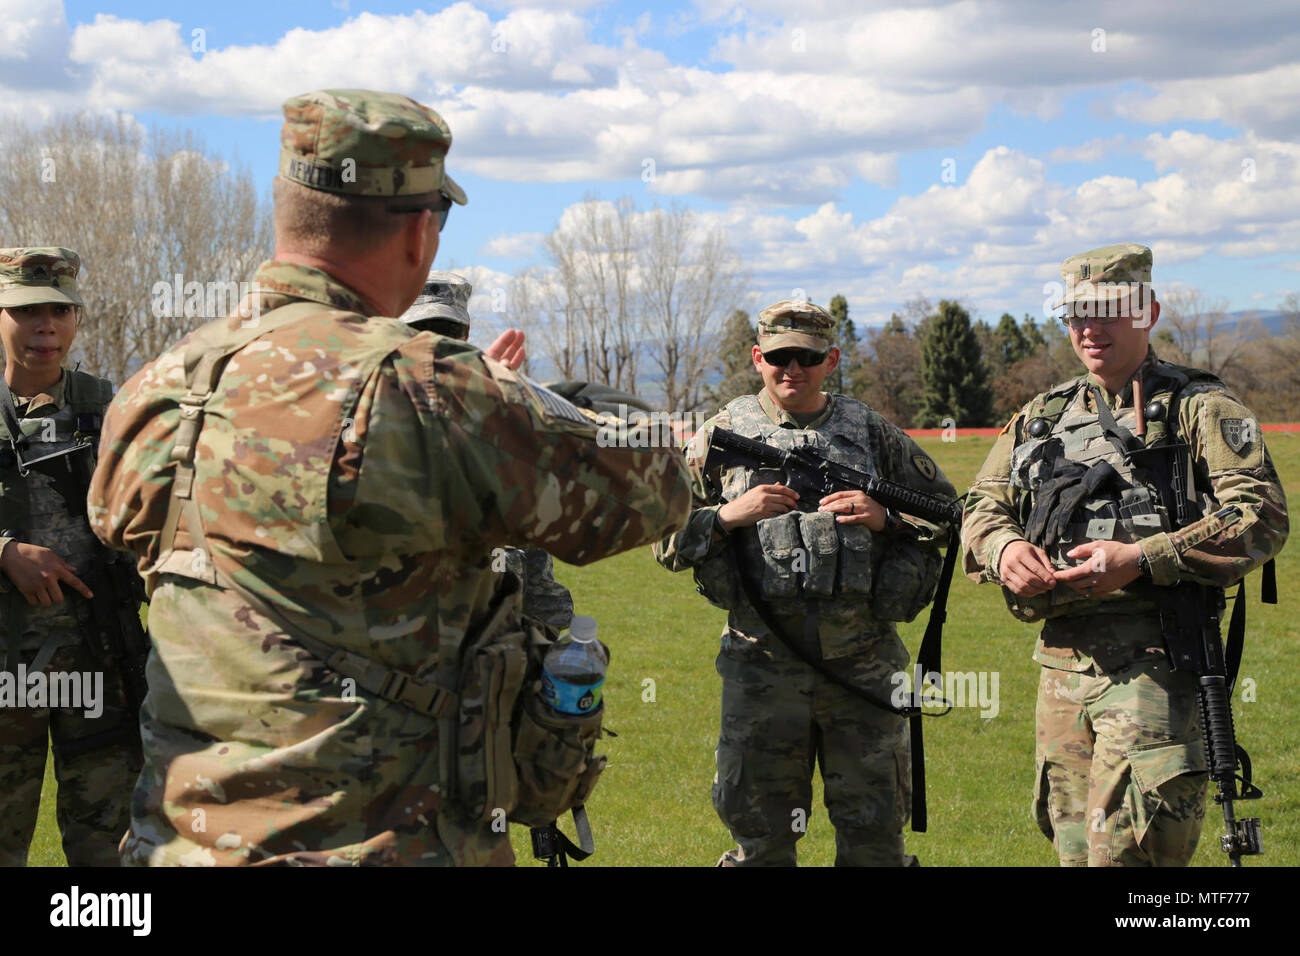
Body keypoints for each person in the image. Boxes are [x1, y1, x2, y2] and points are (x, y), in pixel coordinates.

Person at [87, 89, 692, 867]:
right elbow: (655, 487)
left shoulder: (154, 388)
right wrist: (557, 402)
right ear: (420, 232)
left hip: (175, 848)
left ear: (287, 210)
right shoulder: (423, 389)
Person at [961, 243, 1288, 866]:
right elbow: (980, 503)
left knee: (1131, 860)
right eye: (1077, 313)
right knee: (1075, 853)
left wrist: (1142, 556)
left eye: (1110, 311)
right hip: (1061, 668)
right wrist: (1003, 549)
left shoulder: (1199, 407)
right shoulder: (1041, 416)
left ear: (1149, 313)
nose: (1090, 328)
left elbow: (1260, 515)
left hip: (1155, 660)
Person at [653, 299, 955, 866]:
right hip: (759, 669)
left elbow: (951, 517)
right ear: (757, 356)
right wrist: (727, 516)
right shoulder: (719, 435)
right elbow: (662, 540)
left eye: (808, 358)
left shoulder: (869, 431)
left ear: (832, 359)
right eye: (779, 356)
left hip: (863, 669)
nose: (792, 369)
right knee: (762, 842)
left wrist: (884, 517)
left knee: (874, 841)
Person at [0, 246, 145, 866]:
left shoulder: (111, 409)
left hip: (102, 666)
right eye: (26, 310)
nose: (45, 328)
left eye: (60, 310)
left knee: (105, 852)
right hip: (9, 672)